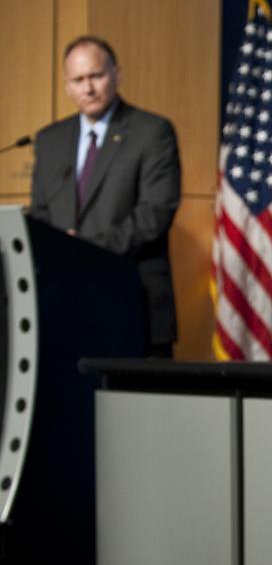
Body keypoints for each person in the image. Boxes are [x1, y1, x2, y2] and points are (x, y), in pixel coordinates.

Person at [29, 35, 181, 356]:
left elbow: (154, 214)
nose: (88, 89)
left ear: (116, 75)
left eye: (96, 76)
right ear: (67, 86)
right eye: (78, 80)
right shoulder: (49, 141)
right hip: (65, 306)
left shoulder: (152, 132)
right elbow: (40, 214)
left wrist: (81, 249)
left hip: (132, 300)